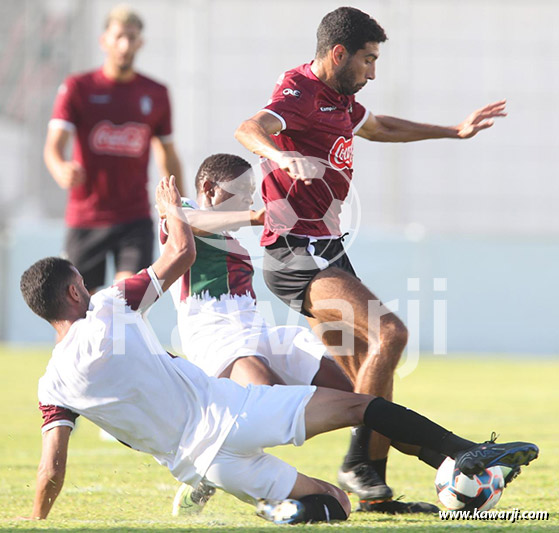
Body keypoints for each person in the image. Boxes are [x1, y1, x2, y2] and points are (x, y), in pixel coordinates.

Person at [19, 176, 538, 524]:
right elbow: (181, 250)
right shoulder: (111, 305)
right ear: (73, 292)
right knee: (360, 405)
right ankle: (461, 452)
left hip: (205, 468)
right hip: (232, 414)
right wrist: (168, 209)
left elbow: (51, 472)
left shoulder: (52, 386)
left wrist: (34, 520)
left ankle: (290, 510)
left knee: (332, 504)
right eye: (80, 286)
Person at [234, 6, 508, 511]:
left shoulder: (340, 99)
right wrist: (279, 155)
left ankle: (382, 494)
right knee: (393, 334)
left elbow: (379, 126)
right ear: (338, 53)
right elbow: (250, 127)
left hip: (327, 250)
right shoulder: (299, 91)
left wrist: (453, 130)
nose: (373, 72)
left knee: (367, 388)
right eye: (367, 60)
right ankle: (364, 465)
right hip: (296, 251)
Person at [44, 4, 182, 294]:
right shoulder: (78, 88)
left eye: (131, 37)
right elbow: (54, 146)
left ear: (140, 42)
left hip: (134, 216)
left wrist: (179, 208)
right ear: (104, 40)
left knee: (126, 300)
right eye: (119, 36)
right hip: (86, 216)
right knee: (82, 309)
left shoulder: (155, 93)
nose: (125, 44)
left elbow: (167, 154)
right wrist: (60, 169)